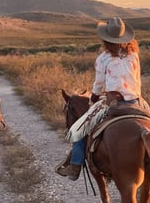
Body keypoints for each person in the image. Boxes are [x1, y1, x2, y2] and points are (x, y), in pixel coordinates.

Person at [56, 17, 142, 180]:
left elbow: (99, 84)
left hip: (113, 103)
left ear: (105, 39)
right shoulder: (134, 55)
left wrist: (93, 99)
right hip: (135, 100)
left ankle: (75, 166)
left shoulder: (103, 58)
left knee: (79, 129)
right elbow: (137, 78)